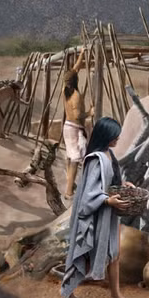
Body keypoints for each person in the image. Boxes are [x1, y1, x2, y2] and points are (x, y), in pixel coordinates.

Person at [61, 117, 134, 298]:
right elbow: (89, 193)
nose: (117, 138)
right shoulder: (96, 159)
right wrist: (107, 200)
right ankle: (68, 292)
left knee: (114, 254)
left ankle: (116, 296)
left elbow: (111, 181)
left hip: (109, 214)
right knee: (86, 251)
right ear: (106, 135)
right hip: (95, 215)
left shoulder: (109, 154)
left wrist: (123, 184)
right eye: (114, 135)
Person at [62, 55, 89, 199]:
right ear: (76, 81)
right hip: (75, 129)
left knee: (70, 158)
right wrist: (89, 112)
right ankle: (68, 192)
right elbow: (78, 116)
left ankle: (70, 186)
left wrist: (82, 53)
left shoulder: (65, 90)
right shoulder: (76, 95)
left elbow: (74, 69)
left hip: (67, 127)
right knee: (76, 161)